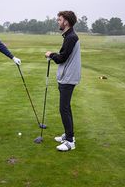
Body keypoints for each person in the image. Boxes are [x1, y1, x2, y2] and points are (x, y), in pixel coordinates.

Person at [45, 11, 81, 151]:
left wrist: (51, 54)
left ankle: (70, 142)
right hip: (68, 77)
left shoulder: (71, 37)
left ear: (66, 21)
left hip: (68, 78)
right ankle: (68, 135)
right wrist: (55, 55)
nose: (58, 22)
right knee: (67, 107)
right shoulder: (68, 36)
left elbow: (62, 58)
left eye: (59, 20)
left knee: (63, 108)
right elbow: (64, 55)